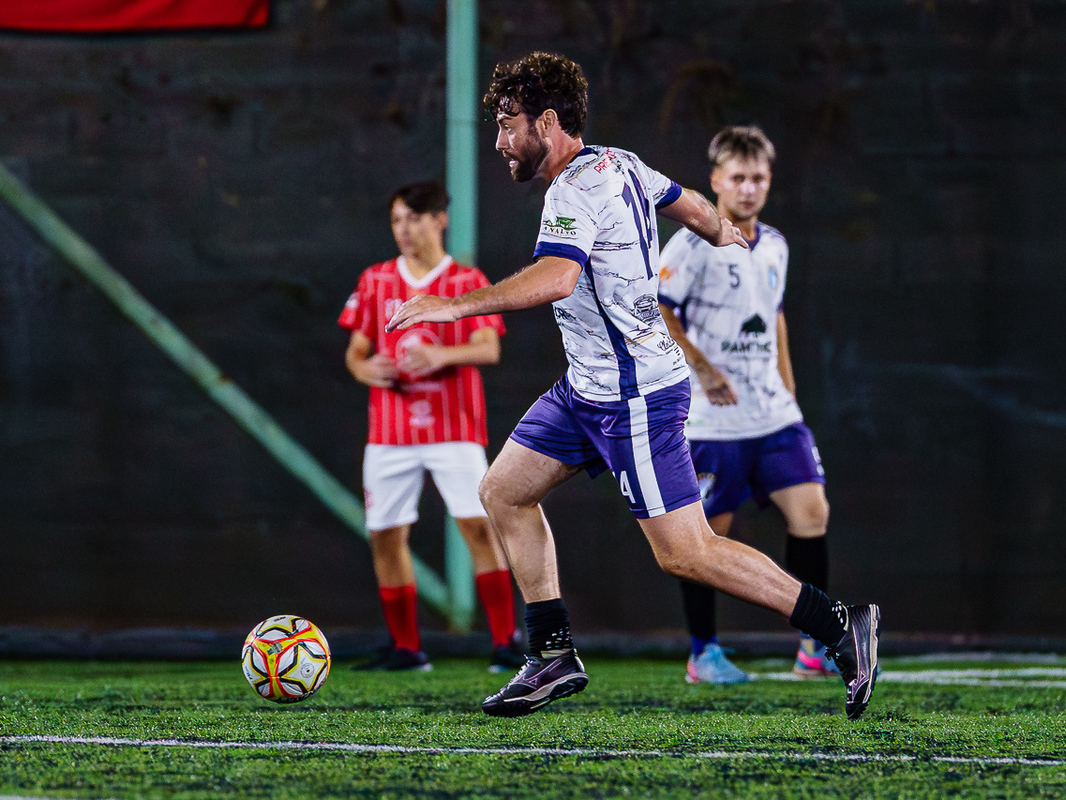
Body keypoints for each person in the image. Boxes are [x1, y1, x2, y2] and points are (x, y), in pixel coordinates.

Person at [385, 52, 879, 719]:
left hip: (634, 396)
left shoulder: (572, 191)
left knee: (687, 553)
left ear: (547, 122)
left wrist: (452, 306)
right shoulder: (620, 161)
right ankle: (551, 653)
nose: (500, 141)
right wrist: (719, 229)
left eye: (507, 124)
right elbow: (686, 202)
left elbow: (557, 277)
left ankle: (838, 625)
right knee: (503, 491)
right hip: (585, 390)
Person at [658, 125, 837, 685]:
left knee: (812, 513)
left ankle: (815, 644)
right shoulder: (691, 244)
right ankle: (703, 653)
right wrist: (702, 368)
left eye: (758, 178)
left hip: (774, 414)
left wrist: (789, 389)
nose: (749, 188)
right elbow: (658, 309)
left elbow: (775, 316)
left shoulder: (776, 244)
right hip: (711, 421)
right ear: (716, 181)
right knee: (705, 538)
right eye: (738, 177)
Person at [339, 180, 524, 673]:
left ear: (440, 220)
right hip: (390, 432)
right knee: (385, 535)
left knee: (478, 528)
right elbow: (356, 352)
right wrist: (366, 369)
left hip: (453, 429)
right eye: (396, 220)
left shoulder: (466, 280)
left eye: (414, 218)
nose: (404, 229)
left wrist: (440, 355)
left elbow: (488, 348)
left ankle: (505, 643)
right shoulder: (376, 280)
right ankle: (406, 648)